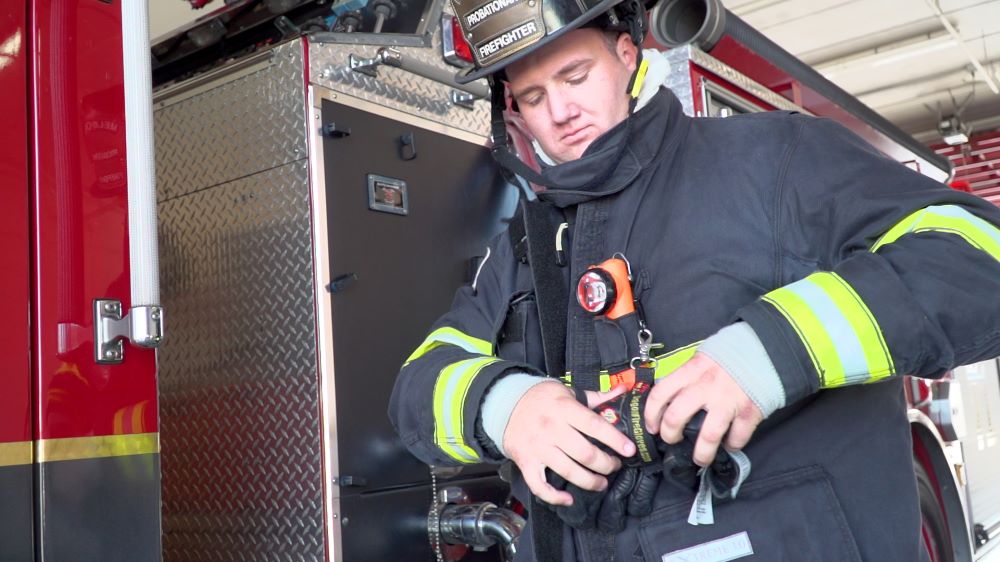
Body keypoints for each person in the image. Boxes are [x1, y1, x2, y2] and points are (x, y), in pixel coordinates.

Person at [389, 0, 1000, 559]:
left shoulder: (775, 159)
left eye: (576, 77)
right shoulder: (524, 246)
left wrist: (769, 353)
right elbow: (419, 384)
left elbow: (980, 255)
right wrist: (505, 406)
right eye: (533, 96)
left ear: (627, 55)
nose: (562, 111)